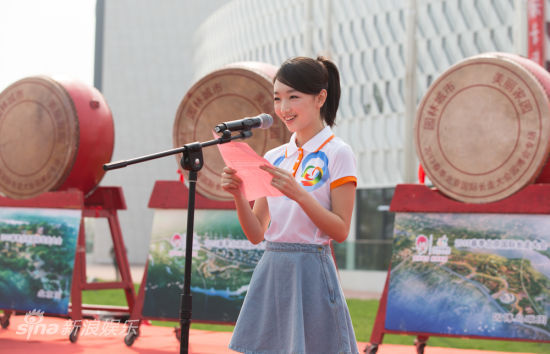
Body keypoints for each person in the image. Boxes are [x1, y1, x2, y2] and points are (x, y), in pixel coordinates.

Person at [221, 56, 358, 354]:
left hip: (311, 269)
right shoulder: (273, 157)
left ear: (320, 97)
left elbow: (341, 229)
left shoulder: (339, 153)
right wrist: (238, 195)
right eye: (277, 98)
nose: (283, 108)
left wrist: (300, 195)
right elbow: (257, 232)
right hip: (272, 268)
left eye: (293, 97)